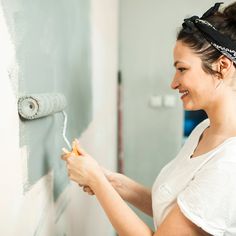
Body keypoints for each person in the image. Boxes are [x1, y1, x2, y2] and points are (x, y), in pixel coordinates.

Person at [62, 2, 236, 235]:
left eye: (182, 69)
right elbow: (171, 206)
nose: (173, 83)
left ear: (222, 66)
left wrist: (96, 181)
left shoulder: (229, 162)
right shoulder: (205, 129)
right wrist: (108, 179)